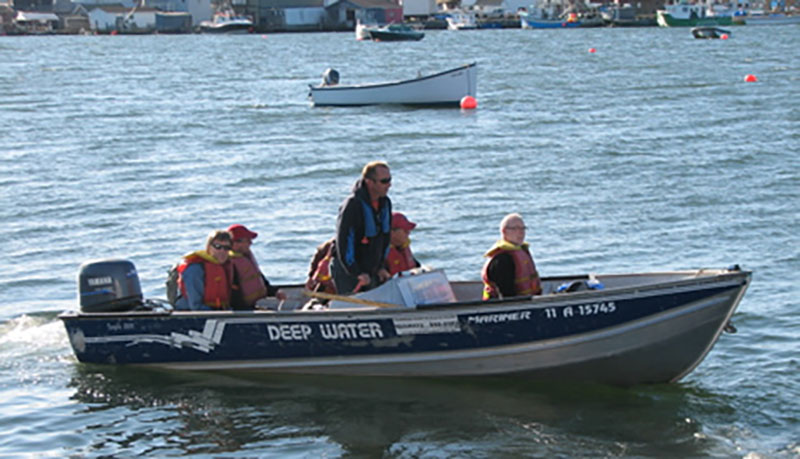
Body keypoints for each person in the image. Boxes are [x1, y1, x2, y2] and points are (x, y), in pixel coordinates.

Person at [331, 161, 393, 294]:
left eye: (389, 180)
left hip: (371, 269)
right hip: (349, 269)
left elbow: (385, 237)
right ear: (369, 182)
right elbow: (344, 242)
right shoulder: (352, 205)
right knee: (354, 307)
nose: (389, 185)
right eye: (384, 181)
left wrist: (381, 266)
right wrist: (356, 272)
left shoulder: (385, 203)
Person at [481, 213, 542, 300]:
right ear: (504, 231)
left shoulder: (520, 251)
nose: (521, 232)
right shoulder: (502, 260)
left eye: (523, 228)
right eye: (515, 228)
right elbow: (506, 296)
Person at [227, 224, 286, 310]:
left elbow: (261, 280)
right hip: (242, 311)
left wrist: (275, 292)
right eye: (247, 240)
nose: (251, 243)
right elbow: (235, 299)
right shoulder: (230, 265)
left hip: (253, 305)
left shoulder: (246, 258)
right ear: (235, 243)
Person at [175, 230, 234, 311]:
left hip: (216, 311)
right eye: (217, 246)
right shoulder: (195, 269)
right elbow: (195, 306)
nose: (222, 251)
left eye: (226, 248)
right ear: (208, 247)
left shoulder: (225, 266)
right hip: (190, 312)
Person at [385, 212, 421, 276]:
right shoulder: (380, 254)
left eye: (408, 230)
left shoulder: (404, 247)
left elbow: (417, 268)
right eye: (405, 230)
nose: (408, 232)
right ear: (391, 232)